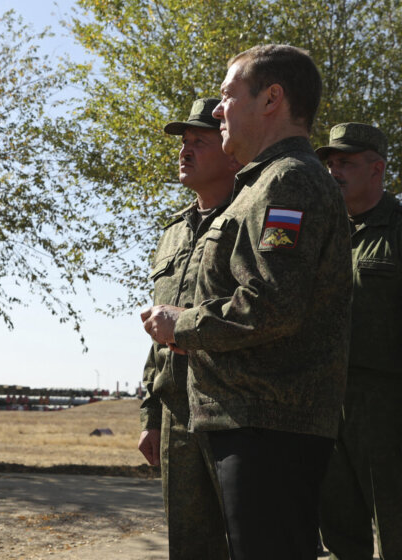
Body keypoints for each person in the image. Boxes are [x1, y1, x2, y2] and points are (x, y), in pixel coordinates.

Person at [141, 44, 351, 559]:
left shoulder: (290, 181)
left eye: (228, 95)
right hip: (246, 418)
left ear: (271, 99)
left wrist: (181, 325)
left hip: (269, 423)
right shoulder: (265, 184)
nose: (218, 110)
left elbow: (272, 304)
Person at [315, 123, 402, 560]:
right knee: (338, 530)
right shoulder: (320, 231)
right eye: (331, 163)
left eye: (347, 164)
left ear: (377, 168)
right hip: (323, 407)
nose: (334, 172)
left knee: (398, 535)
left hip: (387, 410)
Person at [137, 97, 237, 560]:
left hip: (234, 412)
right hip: (176, 415)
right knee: (189, 547)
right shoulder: (174, 231)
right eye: (183, 142)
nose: (185, 151)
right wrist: (149, 416)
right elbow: (158, 330)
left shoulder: (249, 217)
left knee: (250, 542)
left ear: (231, 149)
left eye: (199, 140)